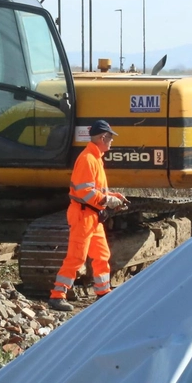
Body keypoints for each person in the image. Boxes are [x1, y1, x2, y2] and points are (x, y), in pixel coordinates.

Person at [49, 120, 128, 312]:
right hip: (83, 216)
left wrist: (113, 196)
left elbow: (93, 190)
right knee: (76, 258)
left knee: (102, 255)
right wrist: (107, 201)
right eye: (110, 138)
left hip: (92, 217)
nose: (111, 142)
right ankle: (57, 296)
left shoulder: (95, 158)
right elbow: (86, 193)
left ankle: (103, 293)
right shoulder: (88, 159)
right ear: (102, 138)